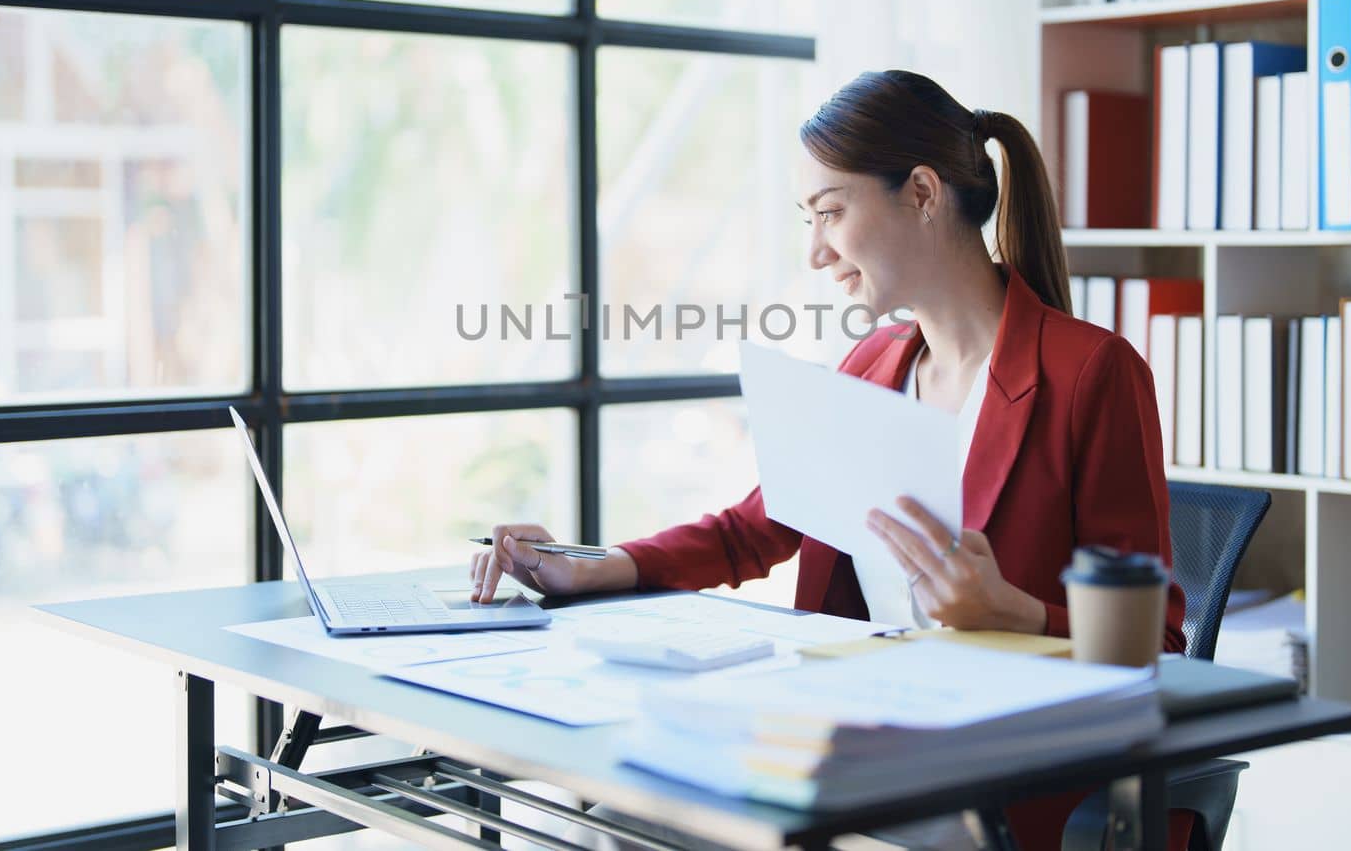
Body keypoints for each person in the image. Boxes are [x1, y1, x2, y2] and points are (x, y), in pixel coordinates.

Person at [470, 70, 1189, 851]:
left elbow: (1159, 648)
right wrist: (588, 564)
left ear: (922, 192)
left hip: (997, 782)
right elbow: (753, 529)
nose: (816, 251)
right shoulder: (874, 364)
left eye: (830, 213)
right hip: (857, 750)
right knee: (598, 815)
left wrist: (1016, 615)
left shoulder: (1092, 372)